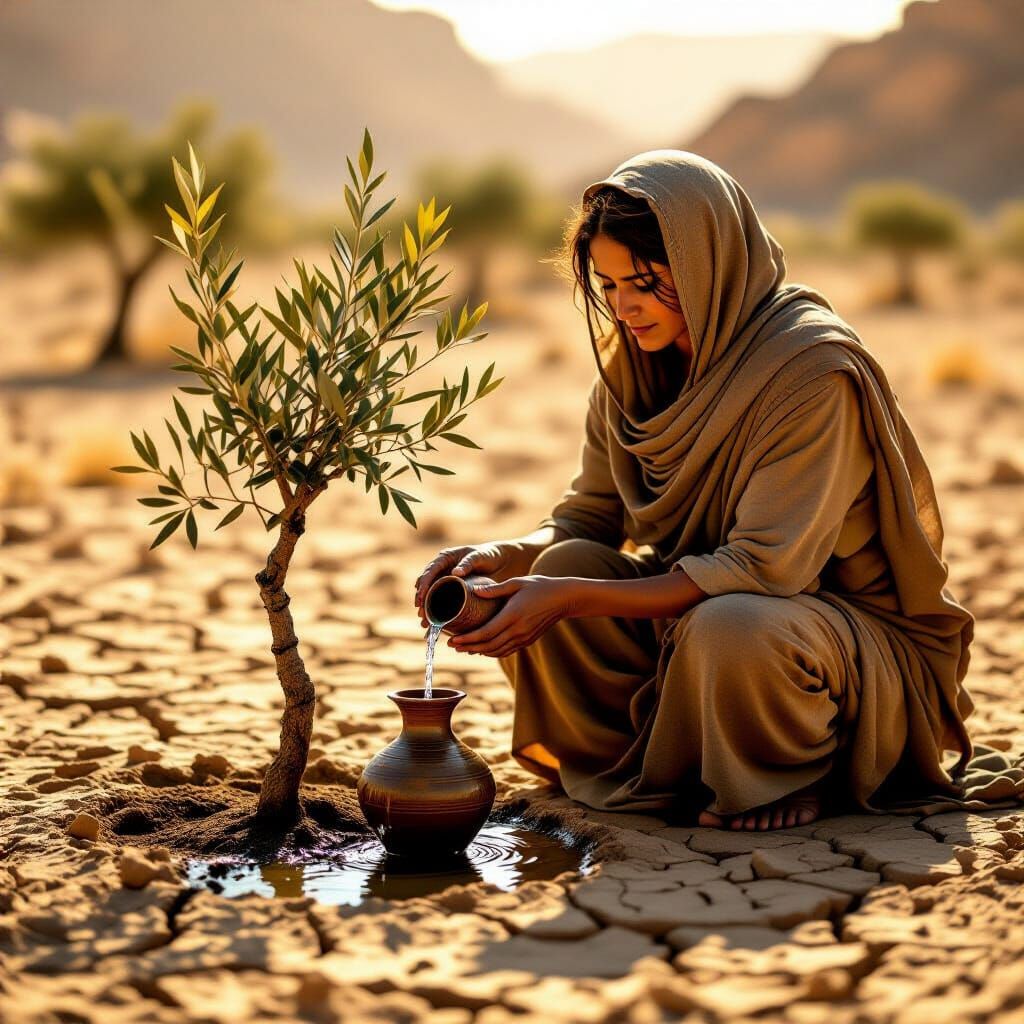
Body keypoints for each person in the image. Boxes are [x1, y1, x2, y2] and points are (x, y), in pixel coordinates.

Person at [414, 150, 1020, 832]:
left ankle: (795, 772)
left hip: (828, 643)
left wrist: (567, 600)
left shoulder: (811, 371)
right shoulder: (632, 372)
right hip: (699, 622)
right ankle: (665, 769)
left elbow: (762, 570)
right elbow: (588, 520)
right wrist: (504, 558)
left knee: (728, 624)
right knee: (562, 566)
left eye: (644, 281)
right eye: (608, 285)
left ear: (708, 262)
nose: (624, 307)